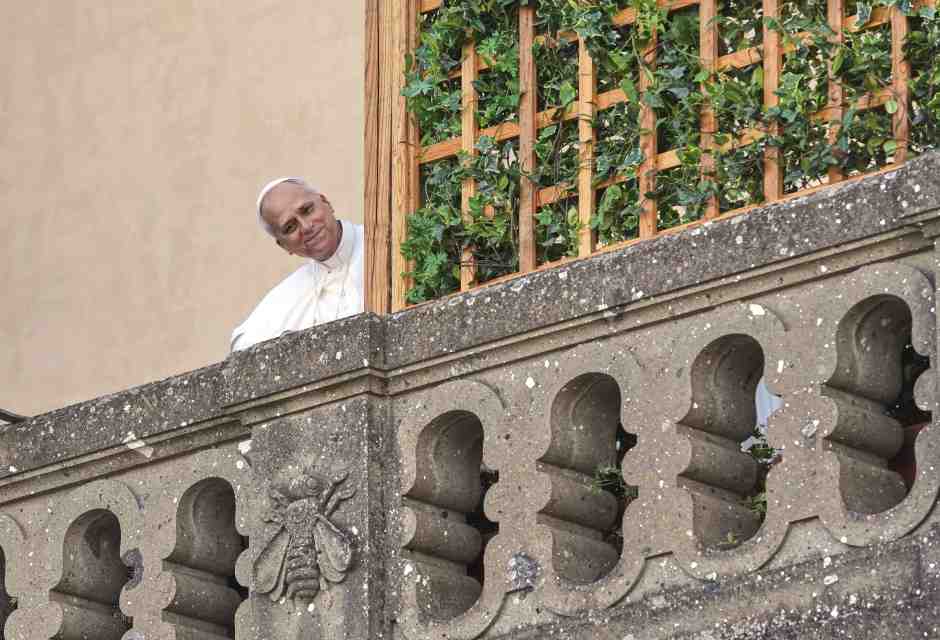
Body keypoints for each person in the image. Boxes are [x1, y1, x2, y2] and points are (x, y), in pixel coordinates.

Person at [230, 177, 364, 352]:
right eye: (290, 228)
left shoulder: (382, 241)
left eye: (307, 210)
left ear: (326, 202)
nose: (306, 227)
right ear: (285, 246)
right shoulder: (288, 293)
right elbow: (242, 345)